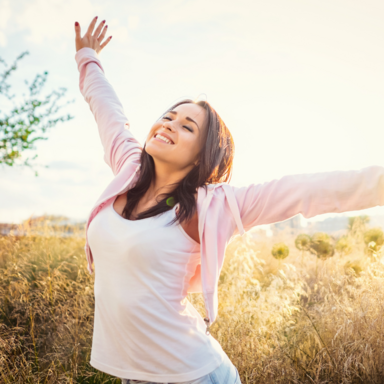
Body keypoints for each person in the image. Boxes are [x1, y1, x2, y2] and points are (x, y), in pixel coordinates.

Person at [74, 16, 384, 384]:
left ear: (200, 157)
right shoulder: (128, 167)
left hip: (194, 375)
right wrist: (87, 57)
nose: (168, 124)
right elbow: (107, 110)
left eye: (187, 126)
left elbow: (304, 189)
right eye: (168, 117)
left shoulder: (211, 207)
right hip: (133, 375)